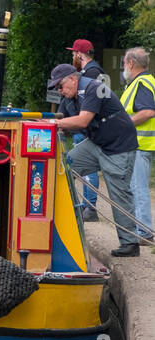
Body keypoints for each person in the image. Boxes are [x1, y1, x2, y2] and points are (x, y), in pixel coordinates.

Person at [50, 63, 141, 256]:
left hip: (119, 146)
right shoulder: (69, 97)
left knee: (118, 193)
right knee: (63, 168)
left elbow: (82, 120)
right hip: (97, 143)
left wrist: (53, 123)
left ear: (73, 80)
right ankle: (67, 222)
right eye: (56, 88)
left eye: (60, 86)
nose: (59, 91)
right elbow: (59, 117)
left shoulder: (93, 88)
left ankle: (130, 244)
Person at [61, 39, 104, 217]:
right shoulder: (90, 70)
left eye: (73, 53)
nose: (72, 56)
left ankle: (89, 206)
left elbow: (89, 102)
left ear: (80, 54)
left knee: (88, 168)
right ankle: (86, 204)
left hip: (86, 127)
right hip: (83, 127)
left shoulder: (92, 72)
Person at [121, 47, 155, 242]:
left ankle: (143, 231)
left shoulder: (141, 83)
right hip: (137, 144)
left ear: (131, 63)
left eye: (124, 62)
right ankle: (140, 228)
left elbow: (148, 112)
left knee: (138, 187)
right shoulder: (141, 82)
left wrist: (124, 124)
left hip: (140, 144)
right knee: (135, 187)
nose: (124, 66)